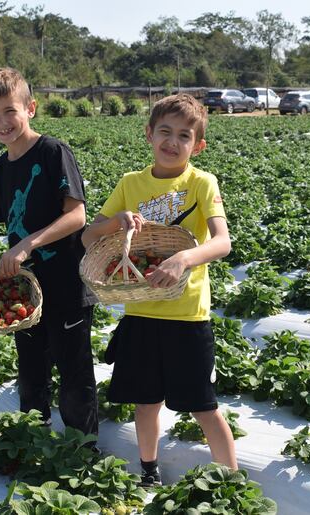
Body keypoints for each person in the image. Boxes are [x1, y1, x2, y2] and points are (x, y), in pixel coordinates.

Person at [81, 93, 237, 486]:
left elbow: (222, 242)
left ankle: (231, 483)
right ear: (148, 134)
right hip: (141, 313)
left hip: (187, 315)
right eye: (165, 131)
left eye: (184, 136)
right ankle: (148, 471)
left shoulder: (201, 183)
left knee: (204, 407)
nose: (173, 141)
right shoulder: (130, 183)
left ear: (198, 146)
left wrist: (184, 258)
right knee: (146, 403)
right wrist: (117, 221)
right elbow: (88, 237)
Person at [0, 68, 99, 440]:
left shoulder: (52, 152)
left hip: (66, 283)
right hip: (27, 290)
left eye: (10, 111)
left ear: (30, 109)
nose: (2, 122)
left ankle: (82, 451)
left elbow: (76, 215)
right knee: (31, 371)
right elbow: (15, 225)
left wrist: (28, 244)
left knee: (74, 372)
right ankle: (34, 441)